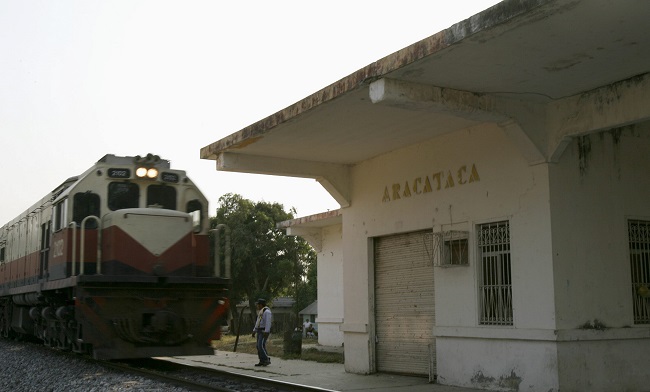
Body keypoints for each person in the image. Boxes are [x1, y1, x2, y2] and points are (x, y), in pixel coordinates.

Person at [251, 298, 272, 366]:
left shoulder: (267, 312)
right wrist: (254, 330)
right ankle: (262, 360)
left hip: (263, 331)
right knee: (258, 346)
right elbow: (258, 322)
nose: (257, 306)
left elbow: (268, 322)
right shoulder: (261, 312)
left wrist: (266, 331)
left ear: (261, 305)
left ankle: (266, 359)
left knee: (260, 345)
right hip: (259, 330)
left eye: (258, 304)